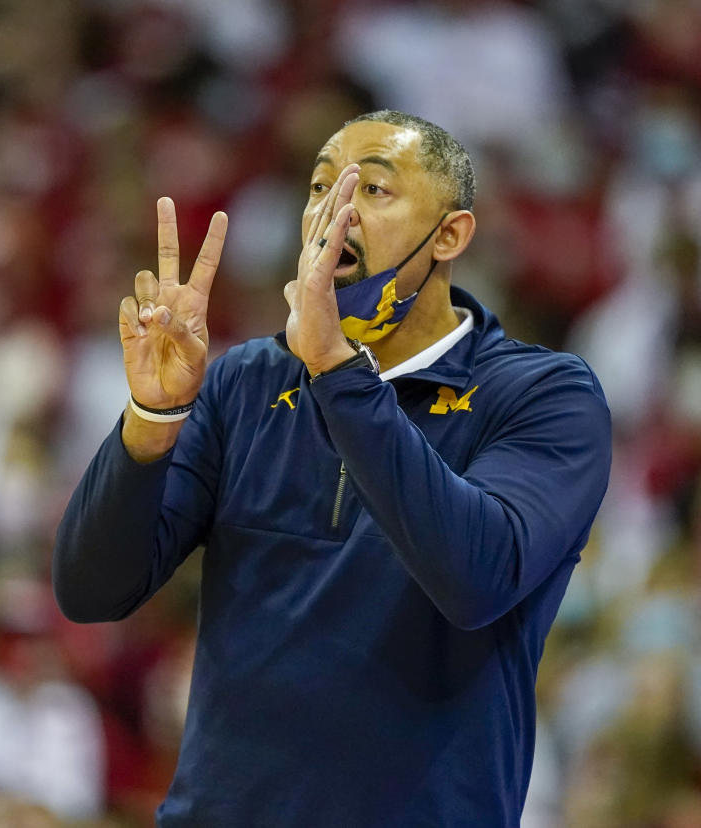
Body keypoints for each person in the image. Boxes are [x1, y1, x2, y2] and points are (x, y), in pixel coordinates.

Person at [53, 110, 612, 826]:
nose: (334, 209)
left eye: (373, 189)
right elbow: (91, 589)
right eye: (320, 186)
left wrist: (337, 371)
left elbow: (477, 576)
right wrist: (152, 418)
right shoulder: (244, 382)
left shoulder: (543, 396)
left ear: (449, 235)